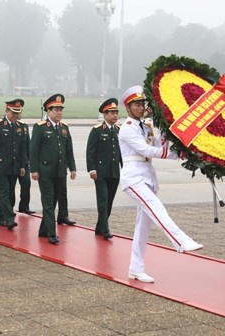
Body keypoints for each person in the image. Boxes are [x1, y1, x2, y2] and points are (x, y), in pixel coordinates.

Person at [119, 86, 202, 283]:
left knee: (143, 226)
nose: (141, 108)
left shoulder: (146, 126)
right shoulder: (127, 128)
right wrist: (174, 155)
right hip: (133, 177)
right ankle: (180, 241)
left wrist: (166, 133)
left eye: (142, 104)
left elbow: (159, 147)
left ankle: (135, 268)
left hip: (147, 176)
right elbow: (146, 150)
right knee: (156, 207)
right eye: (137, 105)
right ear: (128, 108)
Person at [30, 94, 77, 245]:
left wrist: (72, 168)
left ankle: (44, 230)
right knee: (48, 203)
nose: (59, 112)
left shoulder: (64, 128)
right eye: (56, 109)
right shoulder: (40, 127)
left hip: (60, 171)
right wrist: (34, 170)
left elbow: (69, 150)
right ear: (48, 111)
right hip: (45, 172)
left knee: (55, 201)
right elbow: (33, 150)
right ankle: (52, 233)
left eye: (60, 109)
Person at [86, 98, 122, 240]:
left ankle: (100, 227)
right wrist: (91, 169)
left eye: (116, 112)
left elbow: (122, 153)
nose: (115, 115)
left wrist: (124, 169)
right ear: (105, 115)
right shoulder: (97, 130)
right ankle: (105, 228)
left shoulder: (119, 130)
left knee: (109, 201)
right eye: (112, 113)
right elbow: (90, 151)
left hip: (114, 171)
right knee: (103, 199)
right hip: (100, 172)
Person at [0, 99, 28, 230]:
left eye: (17, 113)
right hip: (0, 166)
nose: (15, 115)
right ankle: (8, 219)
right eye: (13, 112)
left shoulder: (19, 126)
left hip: (15, 166)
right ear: (7, 110)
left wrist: (23, 165)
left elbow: (22, 148)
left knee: (11, 193)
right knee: (4, 193)